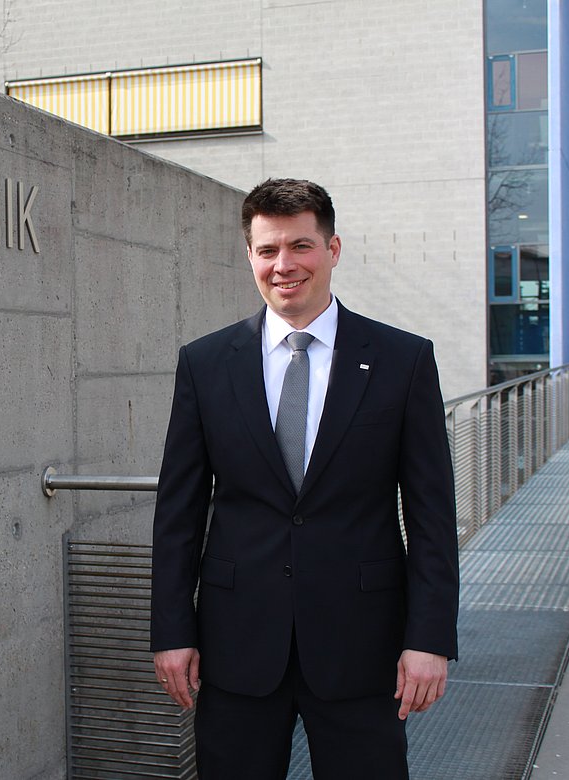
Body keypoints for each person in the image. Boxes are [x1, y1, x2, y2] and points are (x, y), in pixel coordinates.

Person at [150, 178, 459, 779]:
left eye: (301, 246)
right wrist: (171, 629)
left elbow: (431, 516)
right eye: (267, 250)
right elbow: (178, 514)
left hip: (362, 646)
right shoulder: (205, 363)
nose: (283, 265)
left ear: (333, 249)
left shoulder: (403, 360)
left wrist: (429, 638)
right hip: (237, 644)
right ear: (250, 256)